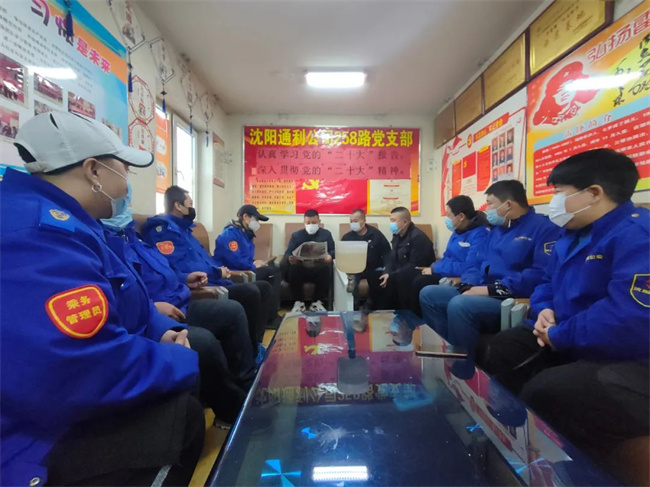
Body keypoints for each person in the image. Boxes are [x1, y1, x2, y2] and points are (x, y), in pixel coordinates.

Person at [1, 112, 203, 486]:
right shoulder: (37, 234)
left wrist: (161, 330)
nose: (127, 184)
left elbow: (127, 295)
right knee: (181, 417)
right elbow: (75, 365)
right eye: (124, 169)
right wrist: (179, 359)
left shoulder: (77, 224)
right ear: (94, 170)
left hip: (64, 396)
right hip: (29, 438)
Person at [478, 150, 649, 479]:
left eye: (559, 193)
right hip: (564, 335)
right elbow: (546, 282)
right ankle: (508, 447)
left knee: (547, 391)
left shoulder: (638, 235)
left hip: (626, 355)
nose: (553, 203)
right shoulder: (572, 233)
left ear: (594, 193)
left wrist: (559, 334)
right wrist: (545, 310)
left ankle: (568, 474)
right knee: (500, 349)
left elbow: (627, 317)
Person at [101, 189, 256, 424]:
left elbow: (168, 269)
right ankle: (233, 410)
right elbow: (122, 293)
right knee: (204, 341)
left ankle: (247, 383)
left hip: (179, 299)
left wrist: (185, 279)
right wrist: (152, 306)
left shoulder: (132, 237)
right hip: (159, 312)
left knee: (233, 311)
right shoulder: (139, 235)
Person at [420, 180, 560, 361]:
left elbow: (538, 275)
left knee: (460, 305)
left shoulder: (544, 229)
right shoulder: (496, 230)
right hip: (481, 288)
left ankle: (464, 367)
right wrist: (468, 283)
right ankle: (444, 350)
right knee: (429, 294)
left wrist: (489, 290)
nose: (487, 210)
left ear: (508, 205)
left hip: (510, 296)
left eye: (490, 204)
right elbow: (477, 262)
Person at [141, 186, 275, 359]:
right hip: (203, 285)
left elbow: (204, 259)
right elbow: (182, 266)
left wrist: (219, 270)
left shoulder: (185, 230)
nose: (192, 208)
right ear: (178, 206)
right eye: (190, 204)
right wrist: (217, 272)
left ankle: (254, 344)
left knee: (263, 286)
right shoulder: (164, 231)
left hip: (215, 279)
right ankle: (250, 352)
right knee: (250, 292)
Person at [409, 196, 489, 316]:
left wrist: (435, 269)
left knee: (420, 282)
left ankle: (421, 323)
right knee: (411, 275)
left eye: (448, 215)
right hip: (446, 271)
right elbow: (447, 256)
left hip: (460, 277)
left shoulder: (480, 234)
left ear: (461, 216)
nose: (447, 219)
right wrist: (433, 267)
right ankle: (410, 321)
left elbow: (469, 266)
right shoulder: (457, 231)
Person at [214, 204, 281, 316]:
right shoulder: (230, 234)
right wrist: (253, 265)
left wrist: (256, 262)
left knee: (274, 267)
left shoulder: (246, 234)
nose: (258, 223)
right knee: (271, 272)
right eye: (256, 219)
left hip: (245, 268)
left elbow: (244, 257)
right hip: (234, 272)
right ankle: (271, 315)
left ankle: (271, 313)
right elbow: (234, 260)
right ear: (245, 217)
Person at [369, 206, 435, 310]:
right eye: (390, 220)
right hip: (399, 270)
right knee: (375, 276)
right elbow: (391, 258)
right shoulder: (397, 235)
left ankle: (401, 313)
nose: (391, 224)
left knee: (398, 278)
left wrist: (392, 274)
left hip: (417, 272)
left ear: (405, 222)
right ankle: (378, 312)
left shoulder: (418, 237)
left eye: (393, 220)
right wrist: (387, 272)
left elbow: (414, 265)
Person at [283, 209, 335, 312]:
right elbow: (288, 253)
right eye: (308, 223)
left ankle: (317, 302)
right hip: (302, 268)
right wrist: (290, 258)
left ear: (319, 221)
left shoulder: (326, 234)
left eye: (314, 222)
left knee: (327, 268)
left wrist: (330, 255)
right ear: (304, 223)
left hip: (319, 268)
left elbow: (333, 250)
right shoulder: (296, 235)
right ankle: (299, 302)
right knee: (293, 269)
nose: (311, 225)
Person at [341, 208, 391, 296]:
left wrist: (387, 270)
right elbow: (342, 255)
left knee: (380, 278)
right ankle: (355, 303)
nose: (353, 223)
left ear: (364, 221)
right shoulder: (347, 237)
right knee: (352, 283)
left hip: (374, 267)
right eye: (351, 221)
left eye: (355, 221)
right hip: (355, 269)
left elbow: (387, 252)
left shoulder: (375, 234)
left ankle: (373, 302)